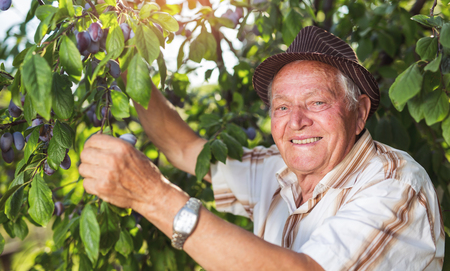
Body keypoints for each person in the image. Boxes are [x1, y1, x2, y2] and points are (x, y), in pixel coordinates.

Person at [79, 26, 444, 270]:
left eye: (317, 102)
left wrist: (152, 197)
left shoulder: (395, 184)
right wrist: (128, 67)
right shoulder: (275, 169)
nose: (296, 120)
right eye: (282, 107)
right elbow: (183, 147)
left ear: (360, 112)